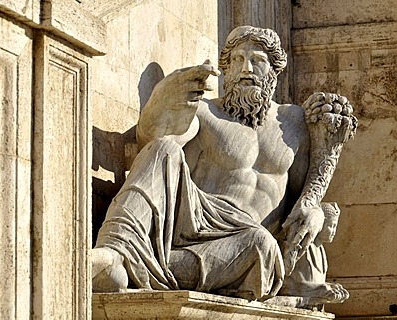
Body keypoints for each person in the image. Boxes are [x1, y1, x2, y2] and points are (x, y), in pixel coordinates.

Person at [92, 26, 356, 305]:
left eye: (257, 61)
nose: (246, 69)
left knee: (261, 244)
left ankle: (137, 268)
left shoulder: (294, 123)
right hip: (194, 222)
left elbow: (304, 196)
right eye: (237, 60)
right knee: (163, 148)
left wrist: (314, 208)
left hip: (245, 241)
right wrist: (160, 101)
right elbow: (151, 141)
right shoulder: (206, 112)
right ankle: (113, 252)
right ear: (226, 70)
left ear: (274, 70)